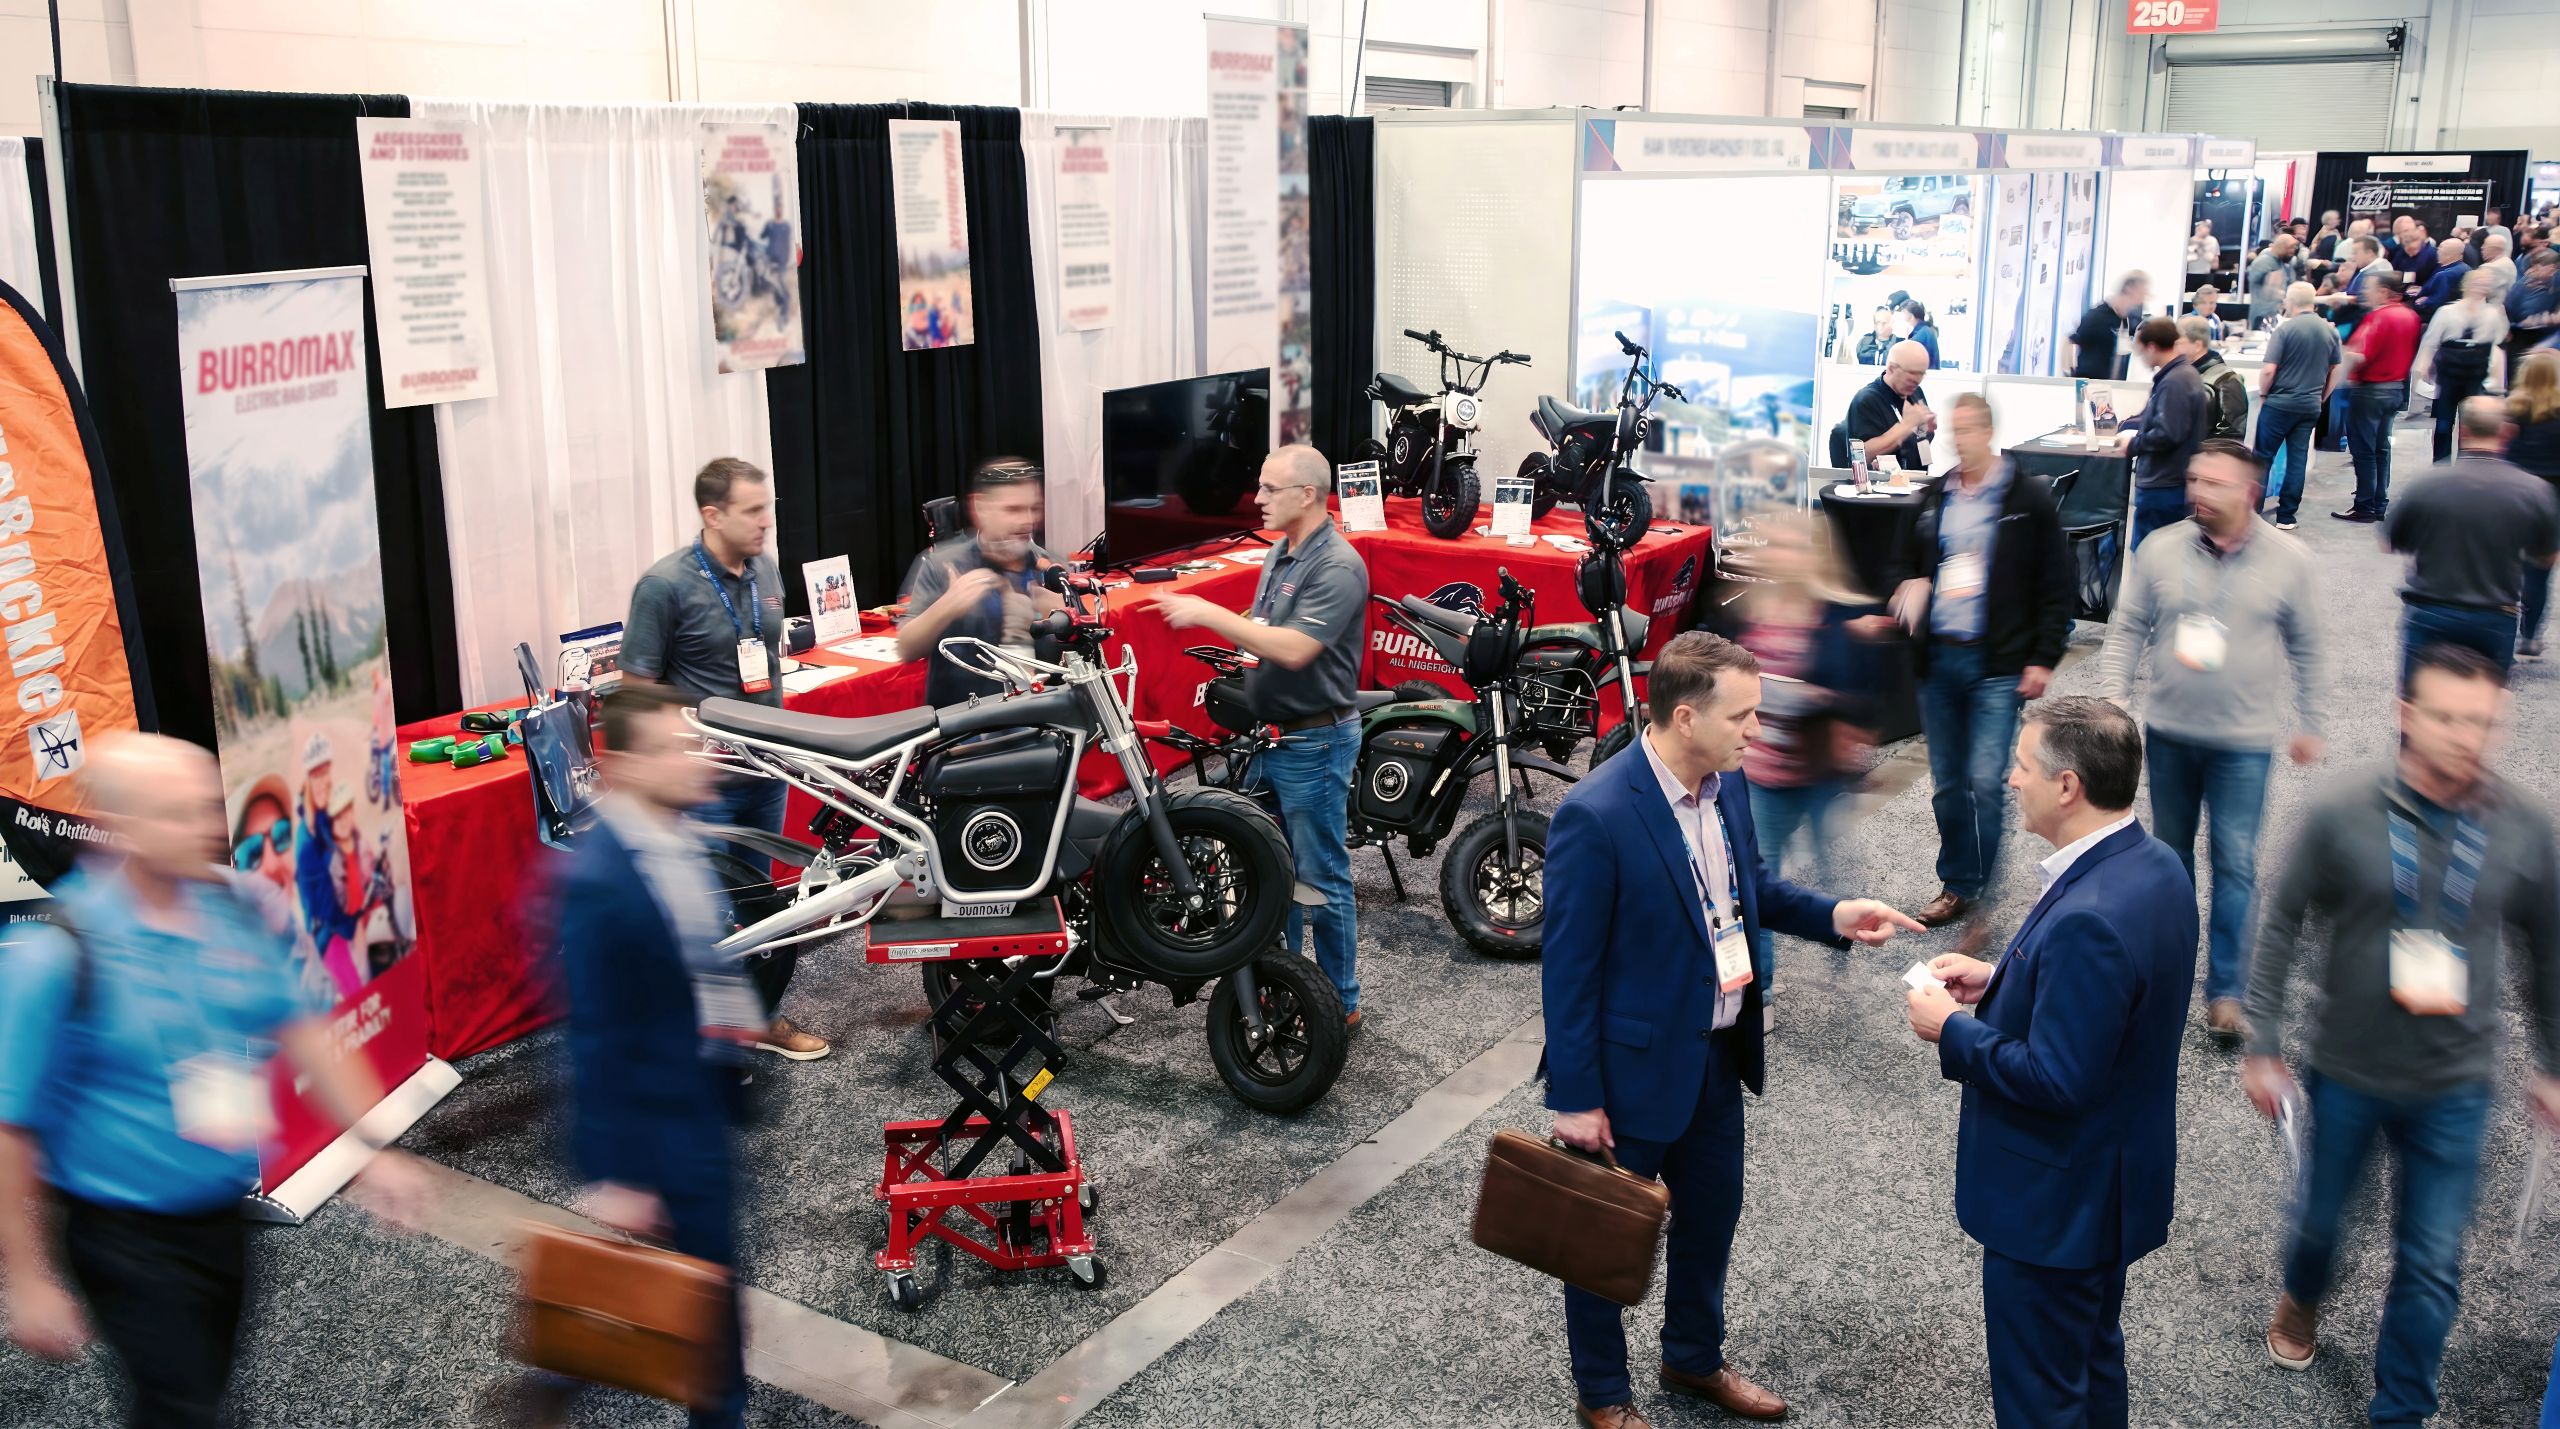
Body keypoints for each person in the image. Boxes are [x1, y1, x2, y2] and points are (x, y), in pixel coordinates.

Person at [1543, 631, 1922, 1429]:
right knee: (1601, 1239)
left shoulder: (1730, 784)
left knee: (1711, 1218)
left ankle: (1690, 1356)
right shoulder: (1596, 814)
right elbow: (1568, 970)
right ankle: (1603, 1396)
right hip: (1629, 1071)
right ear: (1687, 717)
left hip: (1716, 1055)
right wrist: (1576, 1097)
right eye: (1743, 716)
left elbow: (1753, 892)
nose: (1759, 732)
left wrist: (1836, 915)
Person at [0, 733, 427, 1429]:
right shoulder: (58, 950)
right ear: (124, 828)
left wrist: (373, 1146)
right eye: (175, 814)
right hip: (123, 1234)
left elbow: (304, 1033)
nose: (202, 827)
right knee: (185, 1410)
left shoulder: (234, 907)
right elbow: (11, 1125)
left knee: (200, 1389)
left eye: (203, 807)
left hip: (220, 1213)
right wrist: (25, 1278)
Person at [2244, 643, 2560, 1429]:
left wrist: (2552, 1064)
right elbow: (2281, 919)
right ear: (2407, 716)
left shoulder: (2524, 827)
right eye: (2447, 718)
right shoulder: (2342, 809)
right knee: (2321, 1225)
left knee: (2430, 1263)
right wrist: (2263, 1038)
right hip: (2347, 1068)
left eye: (2482, 722)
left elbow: (2548, 953)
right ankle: (2303, 1293)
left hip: (2456, 1082)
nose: (2465, 736)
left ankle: (2401, 1412)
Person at [1903, 697, 2193, 1429]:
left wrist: (1954, 1029)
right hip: (2112, 1185)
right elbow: (2114, 1001)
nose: (2009, 779)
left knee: (2041, 1397)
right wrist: (2001, 978)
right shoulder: (2154, 865)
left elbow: (2058, 1077)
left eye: (2023, 766)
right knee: (2091, 1363)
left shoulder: (2088, 912)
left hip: (2057, 1203)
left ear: (2068, 786)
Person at [545, 681, 763, 1429]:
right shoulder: (601, 879)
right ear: (623, 763)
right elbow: (596, 1034)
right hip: (662, 1131)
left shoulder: (676, 834)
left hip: (699, 1099)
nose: (695, 759)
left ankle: (564, 1382)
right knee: (710, 1320)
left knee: (708, 1301)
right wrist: (619, 1173)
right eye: (674, 748)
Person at [2094, 439, 2325, 1040]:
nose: (2198, 492)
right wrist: (2114, 700)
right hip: (2168, 735)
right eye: (2195, 480)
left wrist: (2311, 719)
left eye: (2215, 483)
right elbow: (2127, 630)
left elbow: (2306, 646)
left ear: (2250, 491)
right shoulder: (2160, 548)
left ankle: (2226, 991)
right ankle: (2167, 974)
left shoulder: (2289, 559)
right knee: (2169, 863)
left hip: (2243, 744)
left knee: (2236, 864)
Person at [1155, 445, 1370, 1026]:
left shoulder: (1339, 566)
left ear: (1307, 495)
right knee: (1268, 871)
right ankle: (1285, 987)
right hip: (1270, 740)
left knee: (1319, 873)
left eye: (1270, 489)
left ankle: (1339, 1004)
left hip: (1314, 744)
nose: (1258, 498)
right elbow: (1263, 631)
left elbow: (1297, 648)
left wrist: (1205, 611)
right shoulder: (1283, 550)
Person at [622, 456, 827, 1062]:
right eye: (753, 511)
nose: (766, 522)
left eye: (769, 508)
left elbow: (764, 658)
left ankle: (756, 1019)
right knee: (700, 909)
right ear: (712, 515)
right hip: (705, 780)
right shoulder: (664, 586)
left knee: (757, 904)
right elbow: (637, 687)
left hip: (767, 768)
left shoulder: (764, 567)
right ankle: (693, 1039)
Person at [1890, 394, 2073, 940]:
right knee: (1948, 784)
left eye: (1969, 429)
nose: (1959, 439)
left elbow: (2056, 583)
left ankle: (1987, 900)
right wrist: (1912, 581)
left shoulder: (2027, 496)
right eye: (1953, 430)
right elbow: (1908, 561)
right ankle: (1958, 884)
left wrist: (2043, 656)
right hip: (1940, 658)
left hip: (1997, 664)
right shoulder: (1934, 494)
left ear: (1989, 430)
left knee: (1986, 784)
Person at [1733, 518, 1878, 989]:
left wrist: (1817, 699)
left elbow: (1857, 692)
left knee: (1835, 867)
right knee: (1755, 886)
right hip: (1761, 774)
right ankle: (1764, 989)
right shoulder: (1750, 611)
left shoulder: (1836, 617)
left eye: (1796, 548)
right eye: (1779, 547)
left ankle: (1847, 938)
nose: (1784, 556)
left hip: (1818, 773)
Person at [2383, 395, 2560, 674]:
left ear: (2462, 431)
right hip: (2495, 615)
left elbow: (2389, 542)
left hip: (2430, 610)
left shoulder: (2426, 484)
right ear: (2508, 432)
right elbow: (2547, 557)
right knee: (2480, 710)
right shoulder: (2535, 491)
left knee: (2418, 706)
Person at [896, 457, 1061, 708]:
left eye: (1034, 508)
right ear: (981, 507)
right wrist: (949, 605)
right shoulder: (942, 565)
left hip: (1044, 725)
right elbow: (906, 649)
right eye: (1013, 509)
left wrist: (1060, 617)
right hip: (967, 730)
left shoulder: (1047, 568)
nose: (1028, 520)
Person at [2254, 282, 2343, 530]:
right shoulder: (2329, 331)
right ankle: (2287, 515)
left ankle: (2252, 510)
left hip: (2280, 403)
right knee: (2297, 458)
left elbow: (2269, 370)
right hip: (2310, 405)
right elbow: (2336, 368)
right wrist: (2322, 396)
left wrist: (2263, 394)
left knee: (2262, 458)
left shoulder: (2285, 330)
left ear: (2291, 302)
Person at [2335, 271, 2420, 524]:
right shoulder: (2411, 316)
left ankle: (2365, 505)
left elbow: (2359, 355)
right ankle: (2378, 503)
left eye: (2369, 288)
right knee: (2381, 448)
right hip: (2395, 388)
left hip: (2370, 390)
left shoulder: (2378, 317)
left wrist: (2340, 375)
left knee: (2364, 451)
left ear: (2384, 291)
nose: (2365, 293)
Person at [2121, 317, 2206, 547]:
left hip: (2164, 484)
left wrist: (2133, 445)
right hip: (2169, 481)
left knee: (2153, 554)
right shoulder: (2179, 376)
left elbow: (2169, 432)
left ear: (2151, 346)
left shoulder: (2175, 381)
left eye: (2140, 350)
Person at [2414, 268, 2510, 463]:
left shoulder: (2493, 314)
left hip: (2477, 372)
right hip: (2449, 373)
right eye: (2477, 282)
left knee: (2472, 423)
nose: (2480, 286)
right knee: (2443, 423)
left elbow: (2499, 345)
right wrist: (2420, 368)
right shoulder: (2447, 311)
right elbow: (2430, 342)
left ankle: (2467, 463)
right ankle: (2441, 463)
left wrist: (2499, 385)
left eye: (2485, 282)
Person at [2507, 351, 2560, 658]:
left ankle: (2502, 625)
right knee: (2539, 571)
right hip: (2552, 502)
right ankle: (2529, 634)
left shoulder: (2513, 411)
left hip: (2515, 496)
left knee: (2505, 565)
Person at [1842, 338, 1935, 475]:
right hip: (1879, 491)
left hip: (1915, 483)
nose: (1917, 380)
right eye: (1912, 373)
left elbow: (1920, 440)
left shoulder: (1915, 391)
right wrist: (1906, 426)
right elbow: (1863, 455)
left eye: (1921, 373)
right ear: (1891, 368)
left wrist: (1928, 431)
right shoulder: (1866, 399)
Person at [2070, 272, 2148, 380]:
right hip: (2090, 383)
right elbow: (2069, 342)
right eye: (2142, 293)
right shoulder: (2097, 317)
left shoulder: (2125, 319)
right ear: (2130, 290)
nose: (2143, 298)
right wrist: (2069, 377)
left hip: (2110, 385)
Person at [2183, 315, 2248, 443]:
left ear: (2196, 345)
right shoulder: (2186, 375)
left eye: (2178, 341)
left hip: (2205, 459)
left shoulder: (2226, 381)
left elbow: (2230, 437)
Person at [2247, 234, 2301, 330]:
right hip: (2262, 317)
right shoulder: (2263, 262)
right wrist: (2270, 284)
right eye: (2290, 248)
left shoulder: (2283, 264)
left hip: (2278, 316)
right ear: (2281, 247)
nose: (2293, 252)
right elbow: (2254, 280)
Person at [2413, 237, 2471, 322]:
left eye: (2440, 249)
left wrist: (2420, 302)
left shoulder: (2445, 275)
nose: (2437, 251)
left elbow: (2438, 301)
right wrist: (2421, 289)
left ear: (2449, 255)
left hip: (2433, 318)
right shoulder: (2467, 268)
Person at [2477, 230, 2518, 308]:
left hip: (2489, 311)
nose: (2482, 248)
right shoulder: (2509, 262)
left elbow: (2476, 293)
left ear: (2495, 249)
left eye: (2485, 245)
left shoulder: (2490, 268)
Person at [1898, 298, 1941, 370]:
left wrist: (1906, 339)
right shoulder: (1926, 330)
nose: (1902, 317)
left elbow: (1905, 354)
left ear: (1910, 315)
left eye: (1903, 313)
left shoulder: (1923, 332)